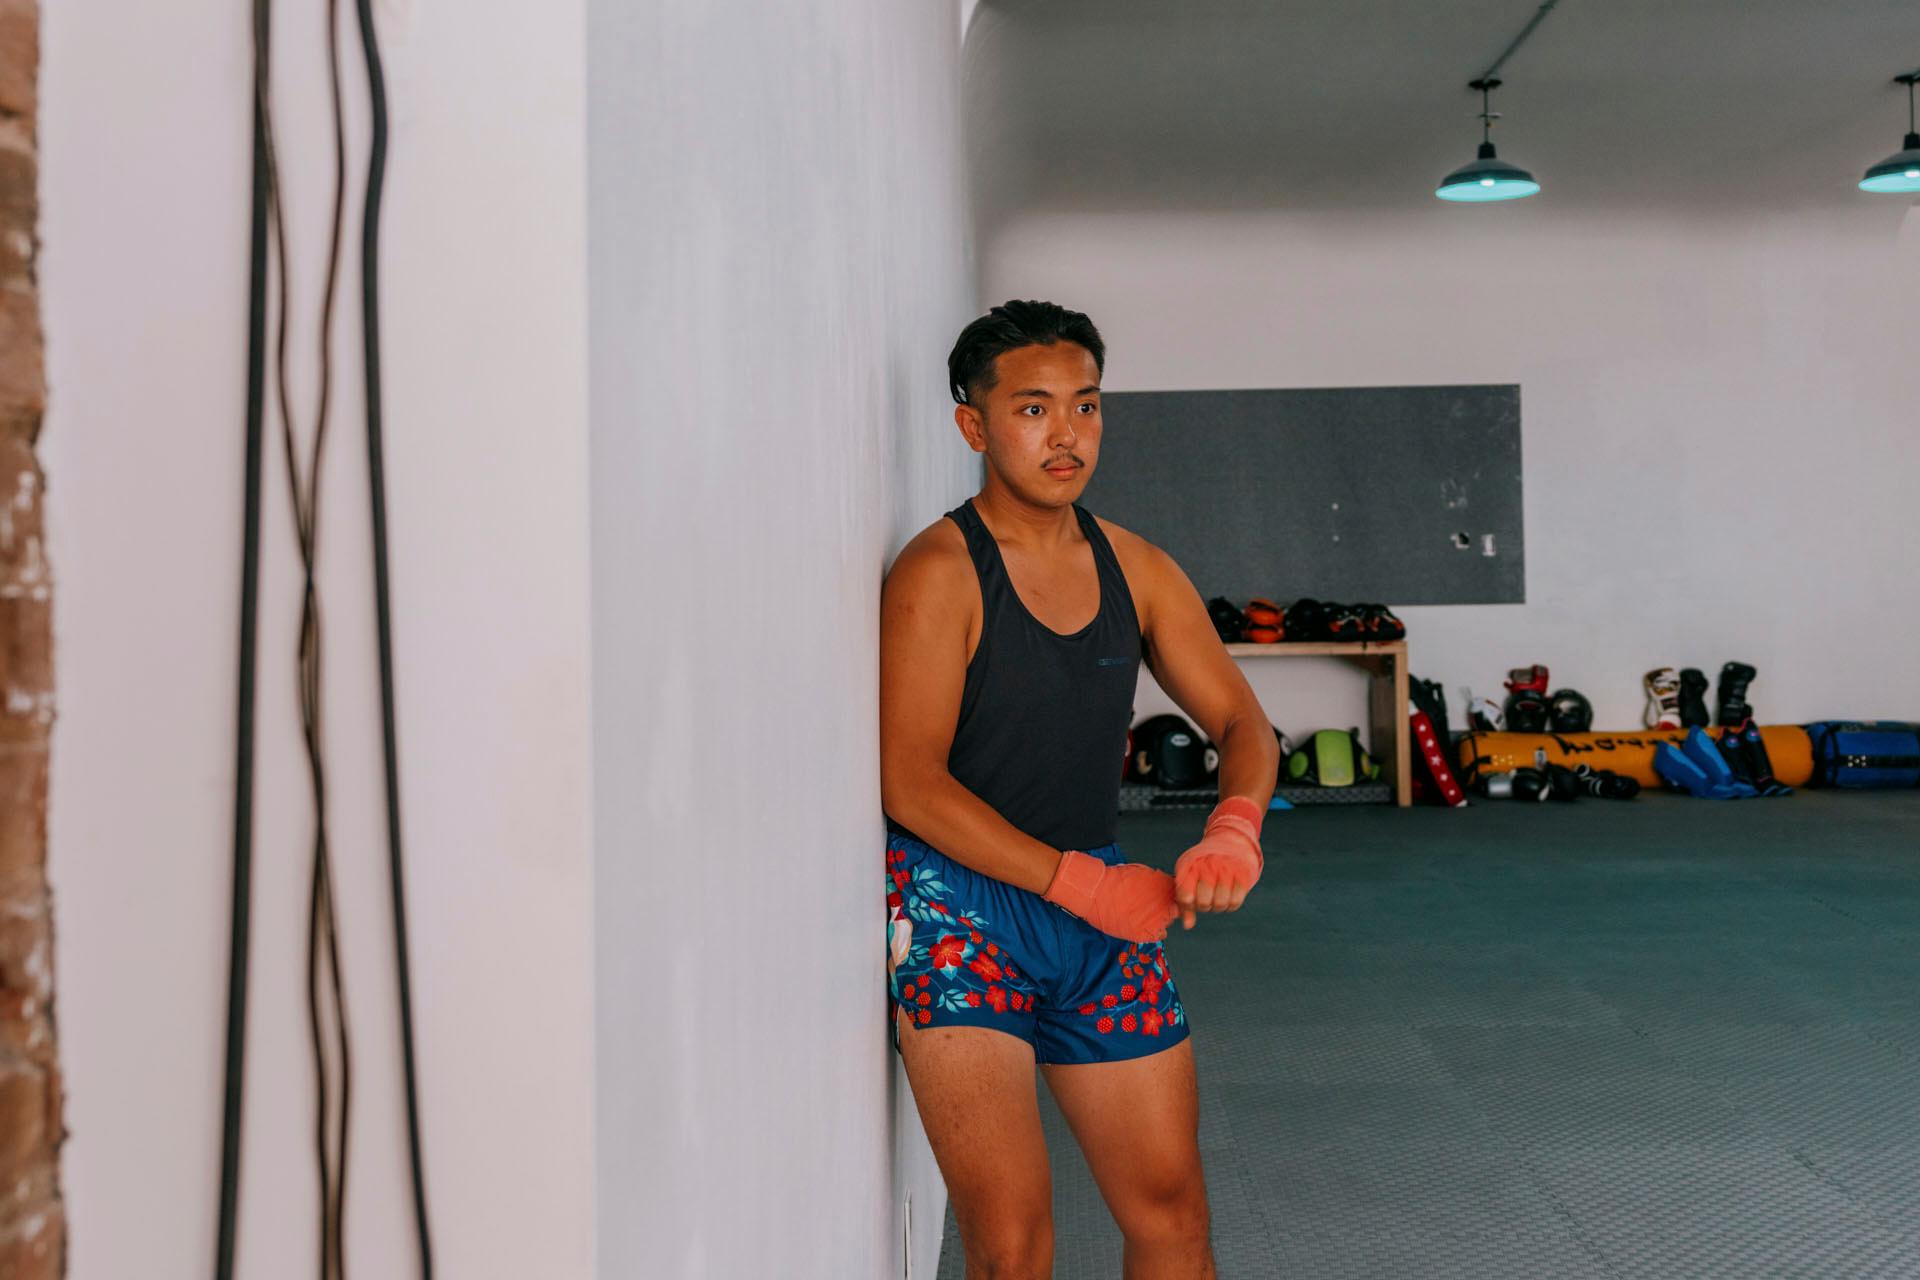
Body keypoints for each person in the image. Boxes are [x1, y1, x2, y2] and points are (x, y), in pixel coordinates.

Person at [879, 299, 1281, 1278]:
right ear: (974, 424)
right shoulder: (939, 573)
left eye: (1087, 405)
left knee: (1173, 1214)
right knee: (1014, 1245)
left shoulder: (1136, 567)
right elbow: (910, 781)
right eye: (1033, 409)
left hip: (1095, 911)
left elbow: (1242, 723)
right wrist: (1080, 885)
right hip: (957, 909)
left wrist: (1235, 827)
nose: (1067, 435)